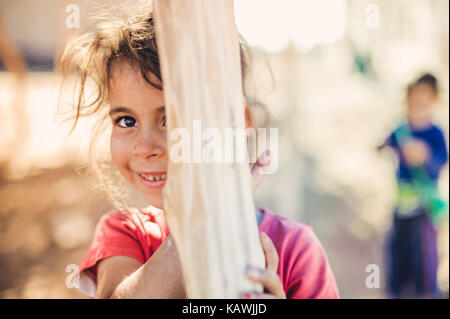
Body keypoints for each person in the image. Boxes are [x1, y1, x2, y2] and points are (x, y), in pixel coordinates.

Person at [61, 7, 339, 299]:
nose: (144, 147)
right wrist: (205, 220)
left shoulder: (294, 249)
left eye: (172, 119)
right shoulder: (125, 234)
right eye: (126, 121)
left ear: (238, 122)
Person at [378, 73, 448, 298]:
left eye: (423, 103)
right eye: (413, 102)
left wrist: (425, 156)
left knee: (424, 259)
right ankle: (396, 289)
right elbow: (383, 145)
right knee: (396, 253)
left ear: (433, 102)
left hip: (423, 209)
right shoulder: (401, 131)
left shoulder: (435, 133)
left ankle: (427, 292)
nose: (416, 108)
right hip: (400, 208)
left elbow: (441, 161)